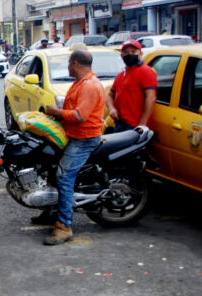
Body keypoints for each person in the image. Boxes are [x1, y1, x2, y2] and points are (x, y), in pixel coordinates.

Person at [43, 49, 105, 245]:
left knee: (64, 177)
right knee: (50, 168)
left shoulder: (89, 86)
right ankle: (51, 211)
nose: (68, 67)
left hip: (84, 139)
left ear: (75, 63)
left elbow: (80, 116)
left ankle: (64, 226)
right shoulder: (81, 83)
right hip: (73, 135)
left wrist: (57, 112)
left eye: (69, 63)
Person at [105, 39, 157, 132]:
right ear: (121, 55)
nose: (129, 54)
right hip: (120, 123)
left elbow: (151, 97)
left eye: (133, 51)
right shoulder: (121, 74)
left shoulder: (145, 71)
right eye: (126, 52)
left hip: (134, 126)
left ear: (140, 53)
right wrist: (112, 109)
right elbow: (110, 95)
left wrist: (142, 124)